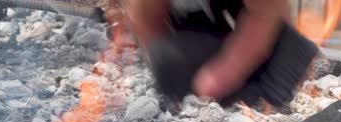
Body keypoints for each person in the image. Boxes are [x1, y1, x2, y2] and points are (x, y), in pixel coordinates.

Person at [124, 0, 290, 101]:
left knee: (280, 52)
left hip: (256, 12)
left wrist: (228, 70)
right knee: (166, 62)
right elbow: (147, 22)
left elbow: (265, 15)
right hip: (193, 18)